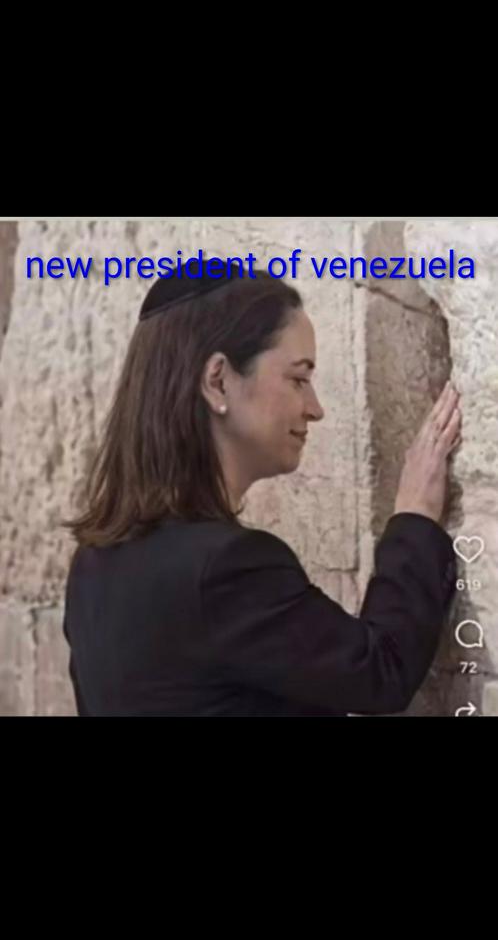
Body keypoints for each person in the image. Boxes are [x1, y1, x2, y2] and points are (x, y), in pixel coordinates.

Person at [61, 263, 461, 716]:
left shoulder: (92, 566)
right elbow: (381, 672)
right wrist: (415, 517)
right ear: (218, 381)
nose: (315, 408)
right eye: (298, 379)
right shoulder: (227, 568)